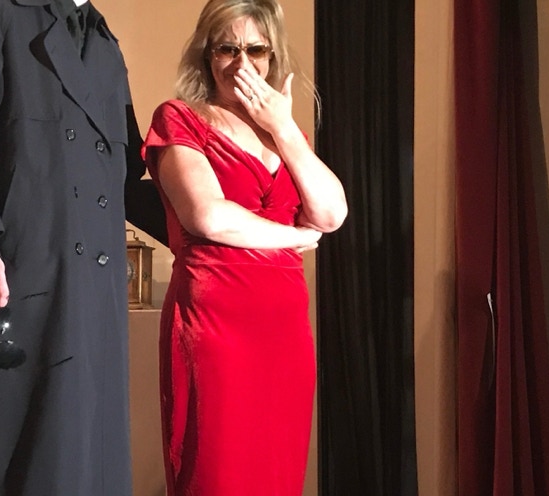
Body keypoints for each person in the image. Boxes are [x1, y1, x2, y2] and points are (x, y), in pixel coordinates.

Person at [0, 0, 165, 494]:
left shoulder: (104, 44)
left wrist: (207, 231)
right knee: (8, 459)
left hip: (90, 296)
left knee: (79, 459)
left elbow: (124, 179)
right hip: (18, 273)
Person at [141, 0, 348, 494]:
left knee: (277, 474)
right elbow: (207, 216)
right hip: (216, 327)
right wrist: (294, 237)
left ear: (273, 57)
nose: (242, 63)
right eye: (227, 49)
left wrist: (283, 128)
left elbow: (332, 214)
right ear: (206, 55)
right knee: (217, 473)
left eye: (256, 50)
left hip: (284, 332)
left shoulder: (286, 134)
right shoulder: (180, 118)